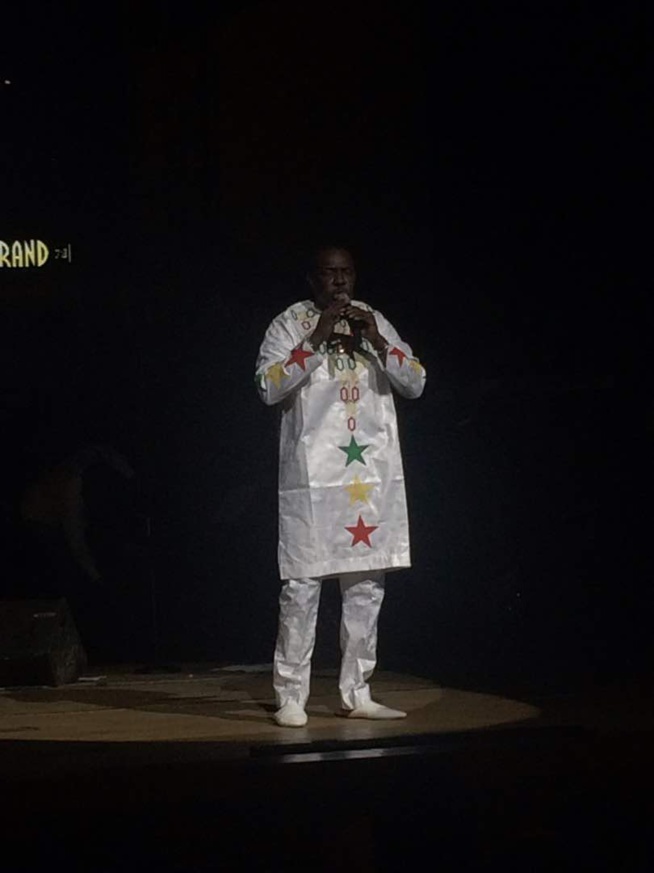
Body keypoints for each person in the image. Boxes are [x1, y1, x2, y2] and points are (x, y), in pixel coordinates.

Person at [255, 246, 426, 727]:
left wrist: (378, 341)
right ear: (312, 279)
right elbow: (268, 387)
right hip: (312, 482)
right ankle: (291, 695)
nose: (339, 281)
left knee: (367, 586)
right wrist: (317, 339)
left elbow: (415, 381)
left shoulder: (375, 320)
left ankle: (358, 690)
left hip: (368, 482)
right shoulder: (288, 323)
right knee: (303, 588)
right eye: (329, 273)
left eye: (346, 272)